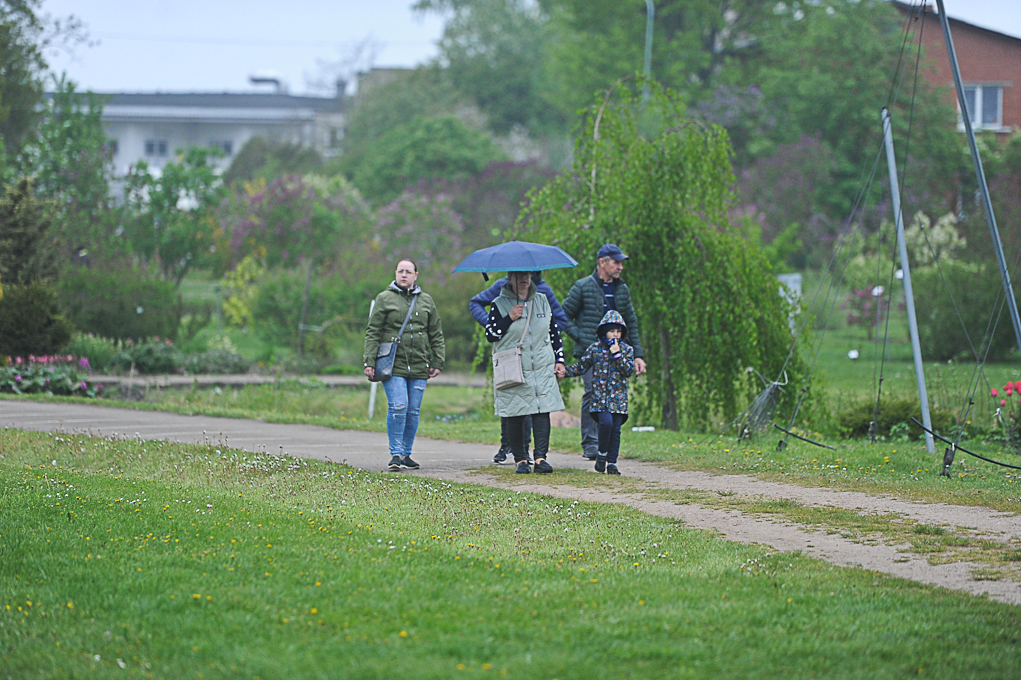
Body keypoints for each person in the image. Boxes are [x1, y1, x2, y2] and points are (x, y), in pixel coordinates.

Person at [470, 271, 568, 465]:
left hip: (541, 365)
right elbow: (491, 334)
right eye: (520, 276)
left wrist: (560, 359)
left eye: (528, 275)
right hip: (514, 365)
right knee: (515, 413)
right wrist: (509, 317)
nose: (525, 279)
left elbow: (554, 332)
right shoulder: (498, 303)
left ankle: (541, 458)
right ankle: (520, 459)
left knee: (542, 411)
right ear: (510, 278)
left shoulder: (542, 300)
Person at [562, 243, 646, 460]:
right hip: (591, 353)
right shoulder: (582, 286)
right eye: (616, 262)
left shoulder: (622, 289)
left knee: (614, 395)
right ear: (602, 262)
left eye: (621, 263)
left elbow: (632, 322)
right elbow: (563, 317)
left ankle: (606, 444)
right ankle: (590, 443)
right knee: (592, 392)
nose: (620, 267)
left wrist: (637, 354)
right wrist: (580, 336)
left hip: (617, 354)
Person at [363, 259, 445, 472]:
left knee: (413, 411)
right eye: (400, 271)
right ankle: (396, 453)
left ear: (416, 275)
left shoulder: (426, 300)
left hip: (419, 362)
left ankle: (406, 453)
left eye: (408, 271)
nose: (404, 275)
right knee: (399, 406)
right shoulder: (384, 299)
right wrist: (369, 361)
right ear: (395, 274)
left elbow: (436, 332)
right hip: (393, 364)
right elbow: (373, 331)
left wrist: (438, 360)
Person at [561, 310, 634, 475]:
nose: (615, 335)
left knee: (615, 429)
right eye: (611, 331)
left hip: (618, 400)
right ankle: (601, 454)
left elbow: (628, 371)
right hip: (600, 399)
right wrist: (564, 372)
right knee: (606, 424)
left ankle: (612, 463)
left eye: (618, 331)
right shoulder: (595, 349)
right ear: (604, 332)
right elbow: (581, 366)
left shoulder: (627, 350)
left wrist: (617, 354)